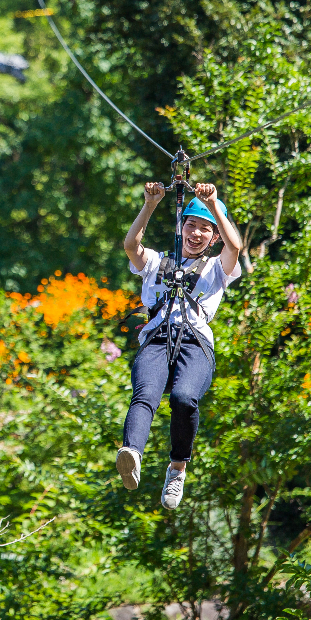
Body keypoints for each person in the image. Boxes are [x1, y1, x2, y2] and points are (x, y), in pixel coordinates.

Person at [116, 180, 242, 509]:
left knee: (185, 398)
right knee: (145, 396)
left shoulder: (217, 268)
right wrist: (150, 204)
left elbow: (236, 247)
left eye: (205, 229)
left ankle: (177, 467)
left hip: (195, 343)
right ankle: (132, 455)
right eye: (191, 225)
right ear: (180, 227)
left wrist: (214, 204)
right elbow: (131, 245)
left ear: (214, 237)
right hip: (157, 339)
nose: (196, 233)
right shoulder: (158, 262)